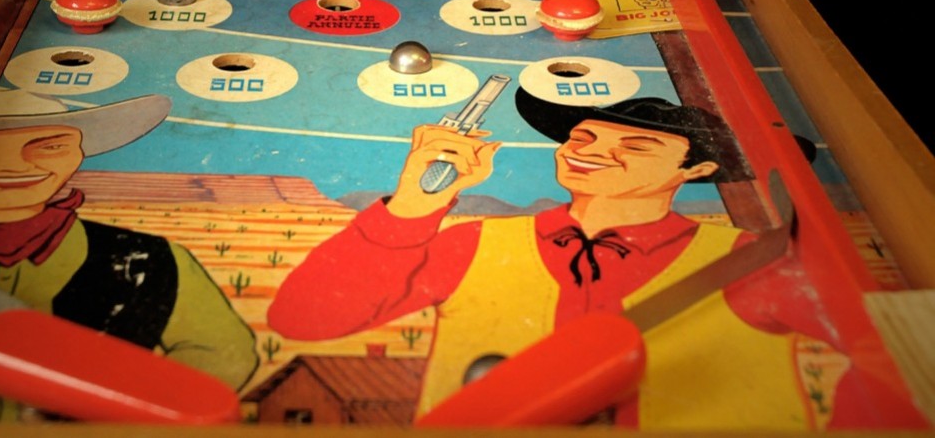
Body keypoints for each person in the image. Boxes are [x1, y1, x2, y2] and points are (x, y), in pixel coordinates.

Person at [268, 93, 922, 430]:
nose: (589, 151)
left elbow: (900, 359)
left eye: (634, 147)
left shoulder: (747, 259)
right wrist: (414, 204)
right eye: (582, 137)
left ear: (695, 170)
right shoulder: (477, 243)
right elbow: (305, 319)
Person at [0, 89, 259, 422]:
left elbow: (225, 356)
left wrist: (113, 405)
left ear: (77, 157)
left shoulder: (151, 258)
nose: (12, 167)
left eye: (49, 146)